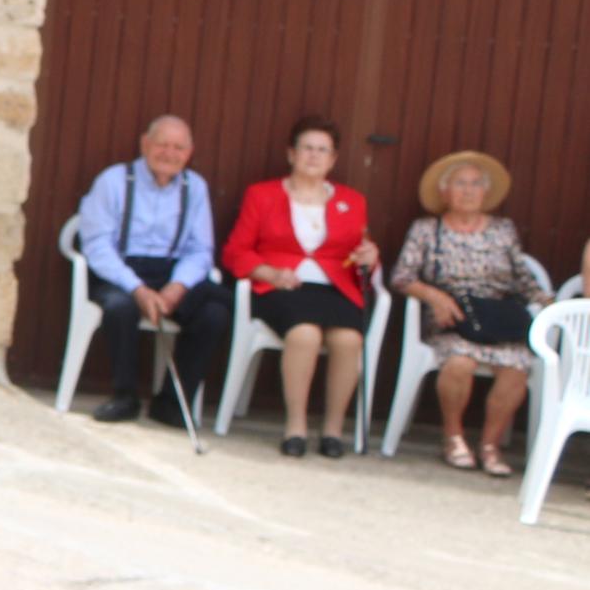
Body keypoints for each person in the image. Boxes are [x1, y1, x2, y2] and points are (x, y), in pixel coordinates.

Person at [390, 149, 555, 477]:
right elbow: (401, 277)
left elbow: (522, 278)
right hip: (451, 320)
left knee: (516, 367)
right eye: (460, 183)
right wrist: (433, 295)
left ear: (486, 192)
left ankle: (490, 445)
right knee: (459, 363)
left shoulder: (503, 229)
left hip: (496, 321)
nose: (468, 191)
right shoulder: (426, 229)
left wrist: (548, 302)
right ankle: (453, 437)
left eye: (476, 184)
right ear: (444, 191)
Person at [223, 114, 376, 459]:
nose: (313, 155)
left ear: (333, 159)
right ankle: (296, 426)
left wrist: (371, 255)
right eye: (307, 148)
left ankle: (333, 430)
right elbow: (236, 251)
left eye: (323, 150)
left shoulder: (352, 201)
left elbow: (362, 255)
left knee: (349, 339)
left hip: (334, 289)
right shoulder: (261, 195)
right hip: (281, 288)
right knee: (304, 334)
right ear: (291, 154)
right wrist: (268, 273)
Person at [72, 115, 229, 425]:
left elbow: (200, 250)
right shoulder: (113, 180)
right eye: (162, 144)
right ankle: (124, 396)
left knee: (215, 311)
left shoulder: (195, 188)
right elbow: (97, 245)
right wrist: (138, 289)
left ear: (189, 152)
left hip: (171, 272)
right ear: (145, 144)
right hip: (121, 269)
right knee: (120, 307)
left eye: (179, 147)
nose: (170, 154)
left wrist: (178, 286)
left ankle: (172, 401)